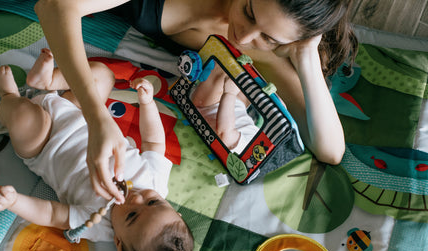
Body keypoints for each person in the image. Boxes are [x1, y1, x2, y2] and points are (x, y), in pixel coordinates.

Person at [33, 0, 358, 201]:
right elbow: (55, 6)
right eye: (248, 11)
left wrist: (306, 56)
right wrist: (97, 118)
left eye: (268, 38)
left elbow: (329, 150)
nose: (244, 38)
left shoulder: (268, 52)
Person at [0, 49, 194, 251]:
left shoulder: (97, 223)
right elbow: (153, 141)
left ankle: (9, 96)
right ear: (172, 208)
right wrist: (147, 104)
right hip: (81, 112)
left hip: (43, 141)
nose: (136, 198)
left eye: (132, 215)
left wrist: (15, 202)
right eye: (153, 201)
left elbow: (51, 213)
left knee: (23, 116)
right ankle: (49, 80)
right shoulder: (156, 179)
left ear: (118, 241)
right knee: (102, 75)